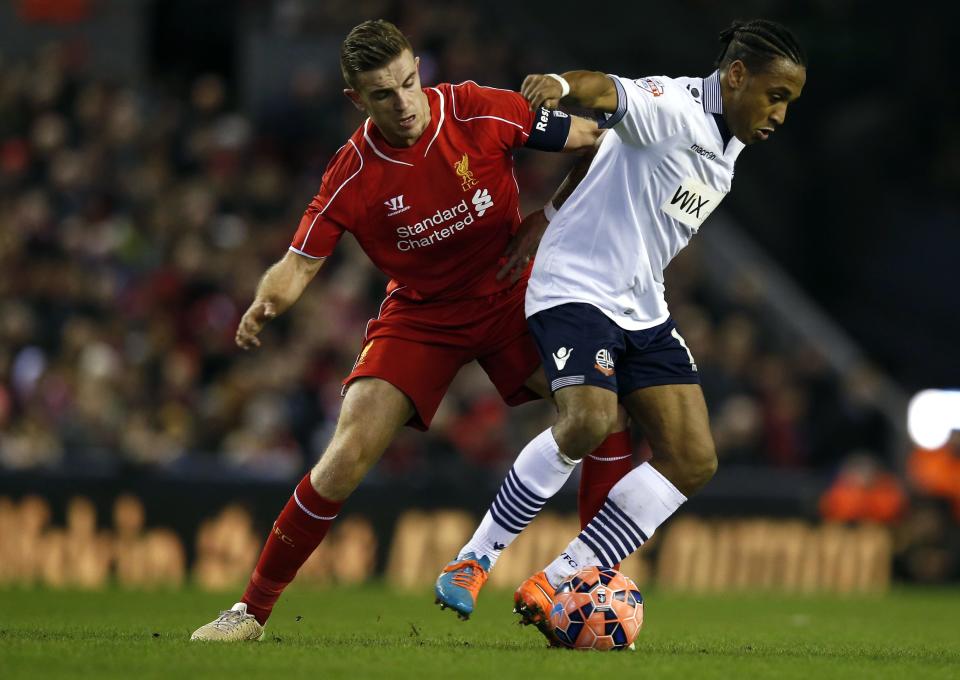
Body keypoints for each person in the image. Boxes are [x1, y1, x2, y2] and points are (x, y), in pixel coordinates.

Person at [190, 18, 619, 641]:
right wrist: (264, 305)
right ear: (356, 100)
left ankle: (589, 578)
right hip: (422, 318)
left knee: (602, 413)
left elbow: (597, 142)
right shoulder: (353, 172)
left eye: (409, 83)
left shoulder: (479, 110)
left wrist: (544, 219)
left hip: (512, 298)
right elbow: (299, 262)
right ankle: (249, 612)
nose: (404, 102)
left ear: (420, 69)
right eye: (383, 94)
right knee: (343, 459)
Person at [435, 19, 807, 641]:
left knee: (693, 459)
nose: (780, 115)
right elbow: (606, 92)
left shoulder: (731, 144)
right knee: (585, 421)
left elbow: (607, 151)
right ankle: (474, 559)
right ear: (737, 75)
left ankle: (560, 578)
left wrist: (547, 212)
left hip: (642, 305)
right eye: (776, 95)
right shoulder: (673, 105)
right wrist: (558, 83)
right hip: (574, 287)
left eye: (790, 103)